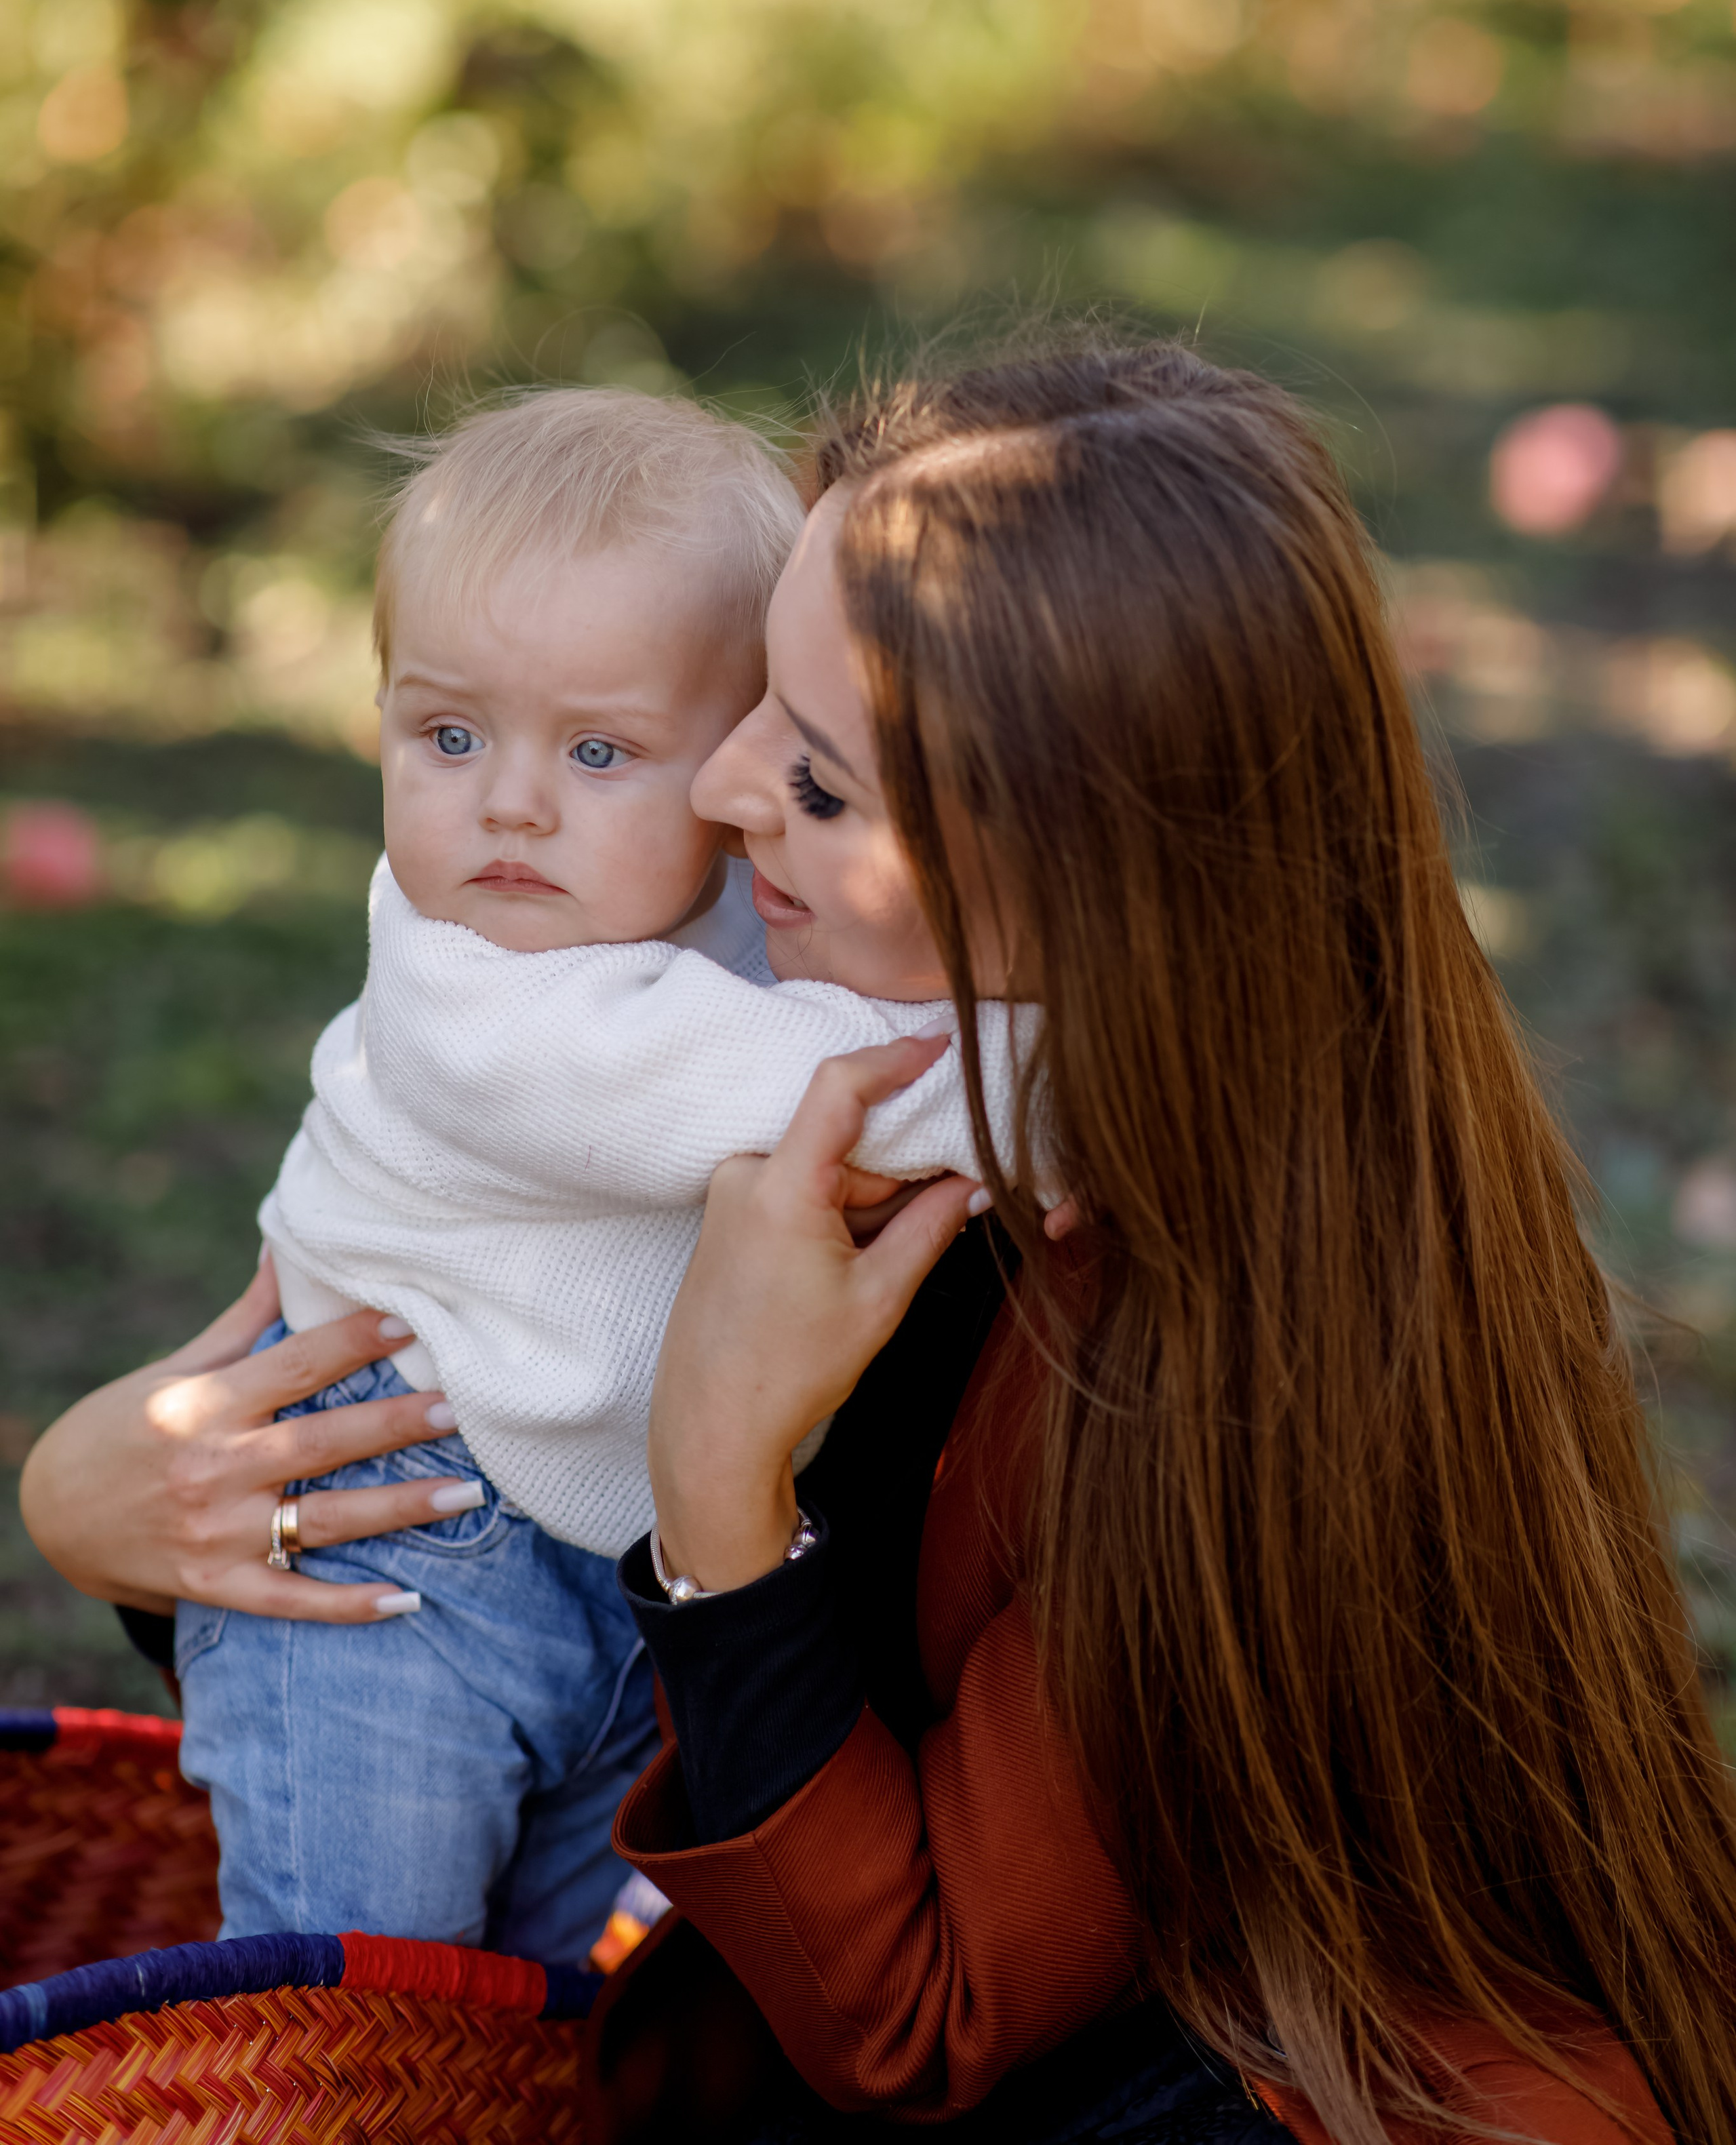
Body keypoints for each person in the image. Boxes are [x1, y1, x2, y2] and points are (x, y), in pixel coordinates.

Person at [24, 342, 1736, 2140]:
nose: (730, 786)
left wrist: (720, 1499)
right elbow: (420, 1501)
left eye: (824, 784)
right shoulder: (784, 1039)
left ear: (1082, 878)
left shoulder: (1219, 1347)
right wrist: (91, 1493)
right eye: (756, 696)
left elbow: (909, 2017)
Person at [168, 385, 1027, 1963]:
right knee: (364, 1989)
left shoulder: (705, 913)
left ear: (730, 759)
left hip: (602, 1567)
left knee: (553, 2011)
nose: (507, 799)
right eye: (444, 733)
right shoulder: (476, 991)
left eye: (597, 749)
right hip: (396, 1545)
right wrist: (1071, 1079)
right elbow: (838, 1090)